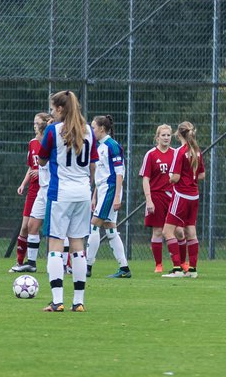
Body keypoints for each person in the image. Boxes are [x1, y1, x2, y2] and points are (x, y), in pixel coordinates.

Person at [38, 90, 97, 312]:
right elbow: (92, 164)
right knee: (77, 246)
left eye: (53, 109)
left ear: (60, 109)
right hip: (82, 192)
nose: (51, 112)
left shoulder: (54, 131)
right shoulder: (89, 130)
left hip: (60, 193)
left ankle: (57, 300)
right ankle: (79, 301)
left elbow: (42, 161)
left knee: (55, 245)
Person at [86, 114, 131, 279]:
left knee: (94, 225)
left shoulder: (112, 146)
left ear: (102, 129)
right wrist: (94, 196)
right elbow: (100, 174)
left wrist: (117, 196)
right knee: (110, 228)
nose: (91, 130)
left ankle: (87, 266)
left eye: (93, 127)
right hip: (103, 190)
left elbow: (119, 173)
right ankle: (124, 268)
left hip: (111, 189)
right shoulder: (99, 146)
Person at [162, 121, 205, 278]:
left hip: (181, 196)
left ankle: (177, 269)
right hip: (194, 196)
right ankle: (192, 270)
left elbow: (175, 177)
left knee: (167, 231)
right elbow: (201, 174)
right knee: (190, 231)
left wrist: (169, 178)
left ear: (178, 134)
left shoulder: (179, 152)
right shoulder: (197, 151)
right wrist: (190, 179)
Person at [10, 112, 51, 273]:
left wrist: (40, 173)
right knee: (28, 226)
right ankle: (26, 263)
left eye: (38, 124)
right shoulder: (33, 143)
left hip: (52, 189)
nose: (35, 126)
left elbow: (54, 168)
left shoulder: (53, 145)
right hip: (37, 189)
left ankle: (65, 264)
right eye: (34, 123)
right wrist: (23, 184)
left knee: (57, 230)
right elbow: (32, 166)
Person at [139, 123, 177, 273]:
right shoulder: (151, 154)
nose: (166, 138)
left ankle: (180, 263)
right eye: (163, 135)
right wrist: (149, 199)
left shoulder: (176, 153)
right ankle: (159, 265)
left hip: (174, 196)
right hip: (156, 196)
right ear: (157, 137)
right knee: (158, 231)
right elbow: (145, 179)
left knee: (179, 231)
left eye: (168, 135)